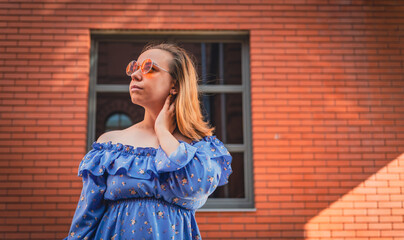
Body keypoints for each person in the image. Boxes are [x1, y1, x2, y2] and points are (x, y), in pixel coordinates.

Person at [63, 43, 233, 240]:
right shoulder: (110, 145)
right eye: (135, 67)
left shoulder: (202, 148)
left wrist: (163, 132)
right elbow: (85, 220)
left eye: (149, 68)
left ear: (175, 85)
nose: (135, 75)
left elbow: (197, 186)